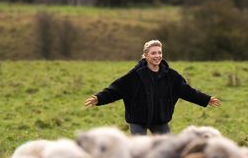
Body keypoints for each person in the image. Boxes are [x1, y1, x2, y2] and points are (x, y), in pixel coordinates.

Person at [84, 39, 221, 135]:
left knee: (168, 151)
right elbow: (116, 89)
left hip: (160, 120)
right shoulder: (135, 75)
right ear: (146, 55)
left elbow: (187, 91)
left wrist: (206, 99)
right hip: (138, 120)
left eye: (159, 52)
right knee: (139, 153)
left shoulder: (171, 76)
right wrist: (99, 98)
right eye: (153, 53)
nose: (157, 56)